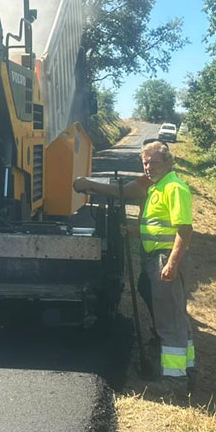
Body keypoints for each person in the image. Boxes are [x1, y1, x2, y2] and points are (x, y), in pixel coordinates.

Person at [73, 141, 196, 392]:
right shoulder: (156, 187)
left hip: (165, 260)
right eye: (145, 163)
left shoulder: (174, 188)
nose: (149, 167)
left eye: (154, 162)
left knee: (169, 321)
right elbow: (157, 226)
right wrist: (133, 230)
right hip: (157, 259)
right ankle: (188, 368)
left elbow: (184, 230)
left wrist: (172, 264)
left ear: (169, 162)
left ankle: (175, 381)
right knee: (173, 316)